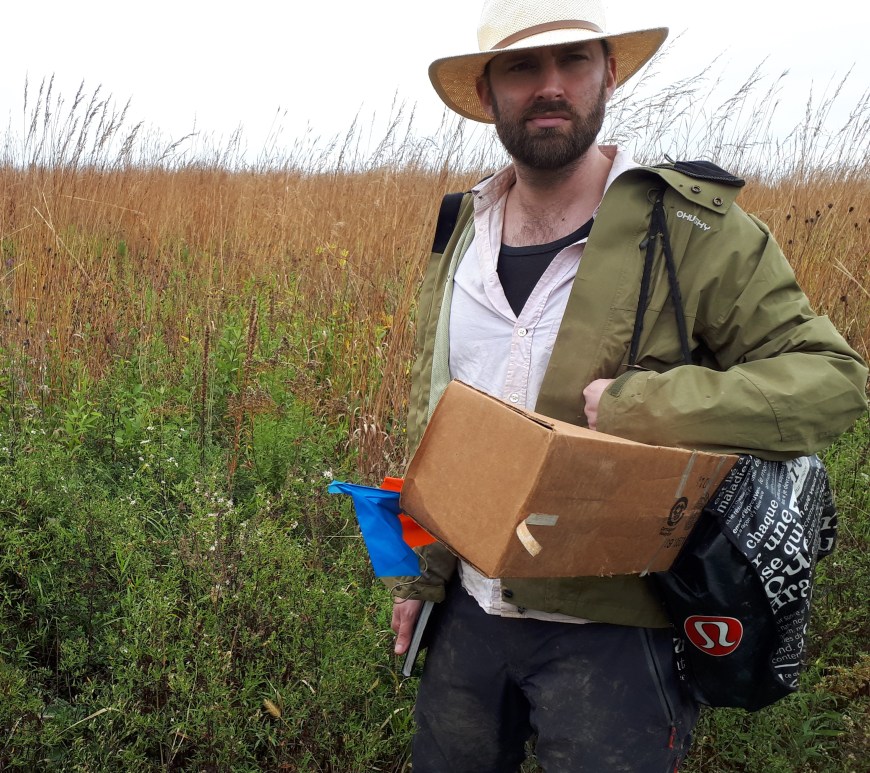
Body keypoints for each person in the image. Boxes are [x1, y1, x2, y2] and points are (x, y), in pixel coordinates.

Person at [386, 1, 869, 770]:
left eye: (573, 60)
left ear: (608, 72)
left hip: (616, 627)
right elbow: (439, 415)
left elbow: (833, 381)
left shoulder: (690, 227)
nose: (551, 85)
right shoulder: (460, 229)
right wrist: (423, 575)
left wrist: (642, 406)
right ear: (487, 92)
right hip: (467, 621)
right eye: (521, 66)